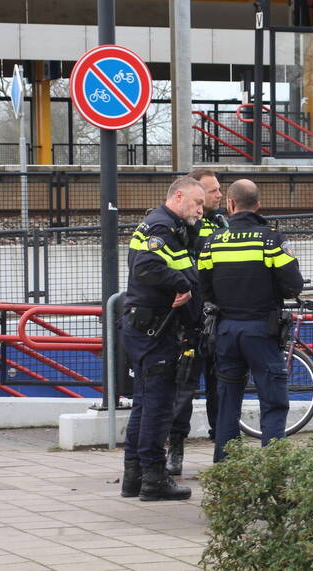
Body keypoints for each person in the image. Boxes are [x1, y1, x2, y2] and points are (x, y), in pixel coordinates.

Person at [198, 178, 304, 463]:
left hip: (226, 331)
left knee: (227, 402)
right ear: (258, 205)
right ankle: (271, 467)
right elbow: (293, 286)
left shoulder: (212, 242)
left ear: (230, 205)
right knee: (273, 400)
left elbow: (204, 288)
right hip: (262, 331)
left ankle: (225, 467)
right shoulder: (271, 240)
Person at [119, 175, 204, 502]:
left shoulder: (163, 225)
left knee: (144, 400)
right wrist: (181, 285)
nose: (200, 210)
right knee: (157, 404)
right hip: (155, 329)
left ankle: (134, 475)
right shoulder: (162, 229)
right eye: (197, 203)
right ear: (179, 196)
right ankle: (153, 478)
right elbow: (146, 266)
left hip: (146, 327)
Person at [165, 169, 228, 476]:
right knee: (184, 387)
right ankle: (175, 448)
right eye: (210, 192)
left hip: (218, 316)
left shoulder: (222, 223)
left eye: (217, 191)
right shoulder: (183, 226)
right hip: (189, 319)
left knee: (222, 386)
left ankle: (224, 449)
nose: (217, 196)